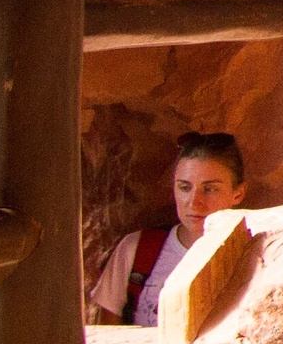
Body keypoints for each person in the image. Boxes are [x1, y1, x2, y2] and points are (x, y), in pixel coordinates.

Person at [86, 132, 250, 327]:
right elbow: (108, 336)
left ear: (238, 193)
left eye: (209, 189)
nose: (194, 203)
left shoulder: (255, 254)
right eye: (184, 187)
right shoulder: (138, 250)